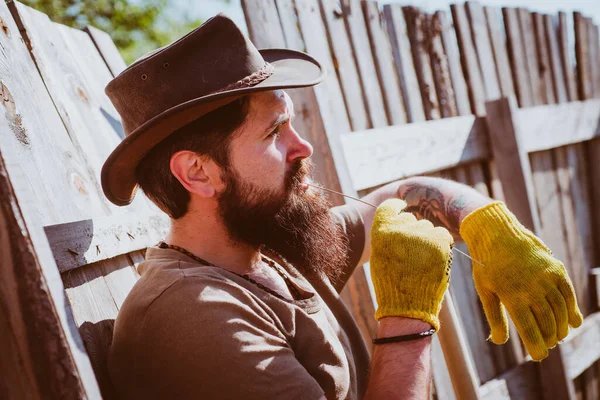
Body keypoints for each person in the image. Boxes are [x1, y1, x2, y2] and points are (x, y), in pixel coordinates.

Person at [101, 14, 583, 400]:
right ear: (198, 173)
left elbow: (401, 195)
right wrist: (407, 316)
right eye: (273, 132)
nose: (302, 147)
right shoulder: (196, 317)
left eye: (290, 124)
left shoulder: (267, 250)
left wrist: (482, 221)